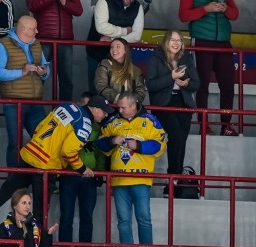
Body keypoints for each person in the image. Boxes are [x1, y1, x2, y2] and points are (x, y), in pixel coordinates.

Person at [0, 96, 108, 230]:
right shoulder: (85, 124)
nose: (106, 115)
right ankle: (35, 242)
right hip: (46, 166)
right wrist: (82, 168)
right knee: (40, 213)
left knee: (4, 192)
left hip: (30, 154)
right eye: (104, 111)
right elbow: (68, 151)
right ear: (95, 109)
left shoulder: (66, 106)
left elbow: (40, 126)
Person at [98, 92, 168, 247]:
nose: (120, 110)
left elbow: (161, 143)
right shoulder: (113, 121)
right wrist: (112, 141)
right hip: (119, 180)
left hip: (141, 179)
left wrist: (140, 146)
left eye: (123, 107)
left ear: (133, 105)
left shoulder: (150, 120)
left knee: (144, 219)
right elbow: (100, 143)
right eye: (119, 107)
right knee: (123, 221)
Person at [0, 14, 50, 167]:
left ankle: (41, 179)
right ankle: (14, 179)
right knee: (15, 143)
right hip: (13, 102)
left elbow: (46, 66)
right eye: (33, 28)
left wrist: (44, 72)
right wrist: (22, 72)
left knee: (45, 141)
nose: (37, 31)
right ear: (23, 29)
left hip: (36, 102)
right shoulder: (3, 44)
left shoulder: (36, 44)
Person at [57, 93, 109, 247]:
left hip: (89, 176)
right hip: (68, 174)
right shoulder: (71, 124)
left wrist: (100, 171)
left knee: (87, 216)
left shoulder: (98, 128)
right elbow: (63, 147)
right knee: (66, 215)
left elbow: (100, 153)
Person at [146, 30, 199, 197]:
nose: (176, 43)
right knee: (176, 135)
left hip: (183, 102)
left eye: (179, 40)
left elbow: (196, 83)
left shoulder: (187, 58)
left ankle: (173, 182)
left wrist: (185, 84)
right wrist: (171, 76)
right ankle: (173, 180)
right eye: (173, 40)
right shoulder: (156, 57)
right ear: (166, 42)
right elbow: (151, 85)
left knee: (181, 140)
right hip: (164, 104)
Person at [178, 0, 240, 136]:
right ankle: (204, 125)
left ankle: (226, 126)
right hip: (201, 41)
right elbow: (183, 15)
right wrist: (205, 9)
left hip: (224, 43)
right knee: (202, 86)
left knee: (228, 86)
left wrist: (225, 9)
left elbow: (235, 14)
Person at [27, 0, 82, 102]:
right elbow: (32, 5)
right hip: (44, 39)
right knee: (38, 77)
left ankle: (65, 109)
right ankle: (34, 108)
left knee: (66, 79)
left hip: (65, 40)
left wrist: (65, 3)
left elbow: (79, 10)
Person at [88, 0, 144, 92]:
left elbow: (136, 35)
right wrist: (125, 31)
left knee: (122, 90)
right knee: (96, 89)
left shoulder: (138, 7)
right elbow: (101, 27)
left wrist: (113, 40)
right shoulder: (103, 1)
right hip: (97, 53)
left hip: (122, 58)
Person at [93, 37, 147, 106]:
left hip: (130, 107)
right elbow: (100, 86)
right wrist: (118, 98)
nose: (114, 49)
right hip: (110, 107)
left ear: (125, 50)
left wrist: (131, 102)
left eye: (118, 46)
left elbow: (141, 91)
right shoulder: (104, 64)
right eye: (112, 47)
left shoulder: (135, 70)